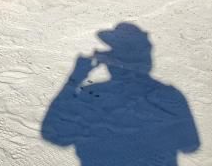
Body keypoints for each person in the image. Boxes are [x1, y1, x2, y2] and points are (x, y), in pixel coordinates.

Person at [42, 23, 199, 166]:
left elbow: (54, 134)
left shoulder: (91, 94)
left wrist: (74, 79)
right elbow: (190, 145)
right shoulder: (170, 95)